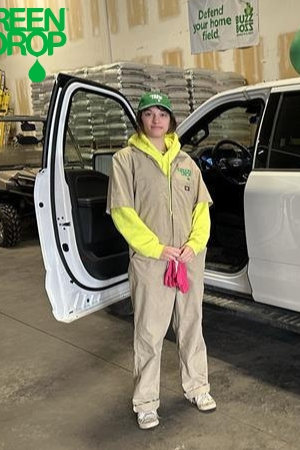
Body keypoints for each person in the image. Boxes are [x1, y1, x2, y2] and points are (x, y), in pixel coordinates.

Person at [107, 92, 216, 430]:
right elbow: (123, 212)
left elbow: (202, 210)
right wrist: (155, 248)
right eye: (149, 114)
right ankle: (146, 402)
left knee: (190, 325)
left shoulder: (187, 164)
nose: (156, 120)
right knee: (150, 332)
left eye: (162, 114)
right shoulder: (126, 160)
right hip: (152, 262)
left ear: (171, 120)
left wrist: (194, 245)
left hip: (187, 260)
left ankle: (197, 387)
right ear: (141, 119)